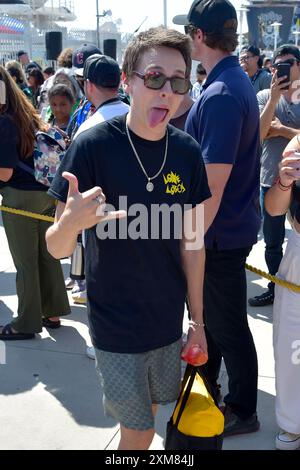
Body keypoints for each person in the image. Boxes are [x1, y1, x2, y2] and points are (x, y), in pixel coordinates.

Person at [46, 26, 211, 450]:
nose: (166, 92)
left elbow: (192, 244)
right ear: (128, 80)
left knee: (151, 417)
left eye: (178, 81)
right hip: (114, 323)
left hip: (166, 321)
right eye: (154, 78)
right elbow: (56, 247)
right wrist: (70, 224)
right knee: (139, 432)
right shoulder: (93, 147)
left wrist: (197, 322)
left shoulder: (189, 153)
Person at [174, 0, 261, 436]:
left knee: (226, 326)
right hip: (228, 229)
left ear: (199, 36)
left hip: (219, 235)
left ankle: (243, 407)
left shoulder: (224, 93)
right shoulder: (230, 82)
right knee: (221, 323)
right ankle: (215, 390)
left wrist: (189, 240)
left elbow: (214, 183)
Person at [0, 66, 70, 340]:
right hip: (45, 193)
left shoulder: (4, 121)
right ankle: (53, 312)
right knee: (46, 255)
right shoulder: (25, 115)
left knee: (25, 262)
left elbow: (4, 172)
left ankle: (26, 323)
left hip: (19, 197)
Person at [73, 53, 130, 357]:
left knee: (103, 291)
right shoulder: (141, 119)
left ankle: (102, 344)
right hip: (145, 222)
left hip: (100, 226)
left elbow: (75, 191)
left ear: (89, 86)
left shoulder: (88, 130)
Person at [249, 44, 300, 307]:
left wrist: (281, 130)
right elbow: (259, 133)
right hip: (270, 179)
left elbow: (272, 130)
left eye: (288, 63)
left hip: (298, 179)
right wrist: (272, 100)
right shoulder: (263, 96)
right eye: (277, 64)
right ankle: (276, 287)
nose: (281, 69)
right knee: (272, 241)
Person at [265, 134, 300, 450]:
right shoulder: (298, 144)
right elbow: (274, 209)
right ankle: (293, 422)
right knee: (291, 345)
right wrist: (285, 180)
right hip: (299, 254)